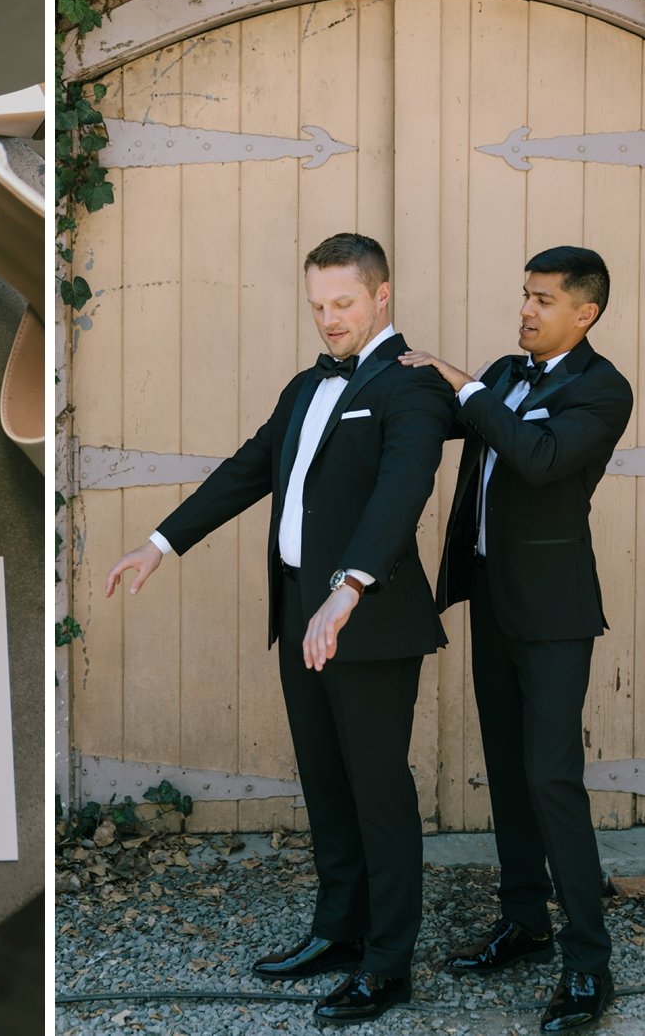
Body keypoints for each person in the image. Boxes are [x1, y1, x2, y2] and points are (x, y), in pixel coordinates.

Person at [104, 233, 452, 1026]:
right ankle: (338, 932)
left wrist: (349, 587)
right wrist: (161, 543)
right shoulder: (305, 385)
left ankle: (388, 964)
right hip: (300, 611)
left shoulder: (413, 386)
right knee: (327, 786)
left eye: (344, 304)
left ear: (381, 296)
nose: (329, 320)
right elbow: (249, 468)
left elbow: (402, 491)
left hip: (367, 619)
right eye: (318, 306)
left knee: (379, 793)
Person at [398, 245, 632, 1033]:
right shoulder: (504, 372)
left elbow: (536, 459)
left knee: (551, 777)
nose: (525, 310)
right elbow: (450, 423)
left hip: (556, 616)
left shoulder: (603, 390)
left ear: (584, 313)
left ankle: (587, 964)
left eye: (541, 300)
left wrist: (464, 382)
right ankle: (526, 922)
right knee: (505, 766)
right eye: (524, 296)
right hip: (492, 601)